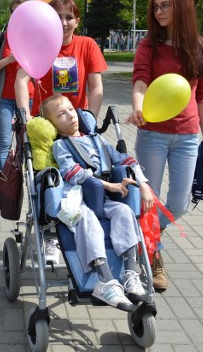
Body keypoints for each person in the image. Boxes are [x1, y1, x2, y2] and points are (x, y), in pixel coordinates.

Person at [128, 0, 203, 291]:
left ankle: (142, 236)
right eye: (156, 6)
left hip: (188, 136)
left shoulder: (201, 47)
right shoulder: (148, 45)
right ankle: (152, 255)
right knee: (149, 202)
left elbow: (202, 96)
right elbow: (140, 81)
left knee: (177, 205)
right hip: (152, 134)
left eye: (166, 5)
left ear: (182, 6)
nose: (159, 11)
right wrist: (138, 107)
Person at [42, 94, 151, 310]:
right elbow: (71, 172)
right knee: (87, 220)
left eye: (71, 110)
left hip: (105, 198)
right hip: (79, 197)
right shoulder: (61, 145)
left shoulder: (98, 140)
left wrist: (143, 183)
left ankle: (130, 273)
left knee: (124, 212)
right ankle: (105, 280)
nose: (70, 116)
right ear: (53, 124)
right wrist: (109, 186)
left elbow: (125, 160)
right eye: (61, 115)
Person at [15, 0, 107, 120]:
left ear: (77, 22)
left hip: (76, 121)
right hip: (43, 122)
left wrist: (91, 118)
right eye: (58, 17)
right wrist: (25, 116)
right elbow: (21, 81)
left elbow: (96, 86)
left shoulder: (88, 45)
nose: (63, 23)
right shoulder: (37, 46)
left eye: (69, 17)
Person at [0, 0, 31, 172]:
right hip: (4, 97)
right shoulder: (2, 37)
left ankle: (24, 180)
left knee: (27, 140)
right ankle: (6, 184)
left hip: (29, 96)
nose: (17, 15)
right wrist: (9, 59)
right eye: (14, 11)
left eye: (22, 11)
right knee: (5, 142)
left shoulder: (35, 36)